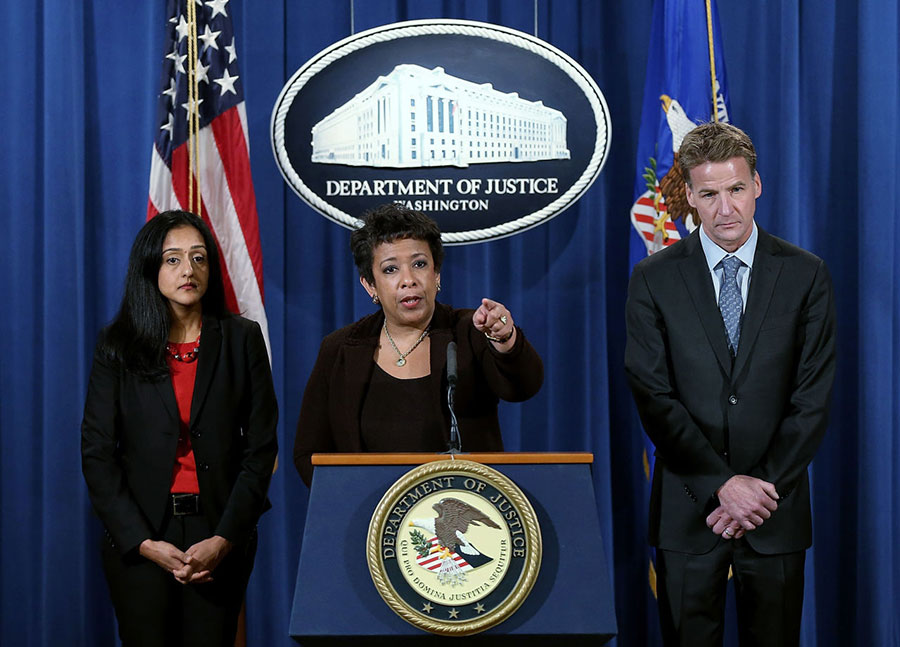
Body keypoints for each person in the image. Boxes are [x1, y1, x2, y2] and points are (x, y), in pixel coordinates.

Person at [624, 122, 836, 646]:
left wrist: (758, 492)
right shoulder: (653, 278)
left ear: (757, 185)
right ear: (690, 198)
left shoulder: (806, 274)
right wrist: (722, 485)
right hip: (689, 509)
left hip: (775, 508)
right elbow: (653, 394)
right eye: (710, 194)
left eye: (737, 189)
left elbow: (812, 399)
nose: (726, 210)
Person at [81, 210, 278, 646]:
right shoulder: (117, 346)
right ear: (150, 267)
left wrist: (225, 539)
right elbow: (97, 452)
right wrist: (144, 543)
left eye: (199, 257)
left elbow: (261, 449)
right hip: (142, 537)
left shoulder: (242, 338)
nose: (188, 270)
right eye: (173, 259)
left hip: (217, 535)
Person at [293, 204, 543, 486]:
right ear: (370, 285)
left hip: (459, 513)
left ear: (436, 274)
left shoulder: (468, 331)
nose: (408, 280)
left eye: (420, 264)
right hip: (371, 522)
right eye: (390, 269)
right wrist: (351, 508)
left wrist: (504, 338)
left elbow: (523, 387)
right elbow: (308, 452)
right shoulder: (339, 349)